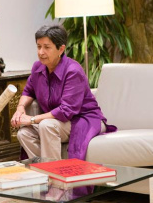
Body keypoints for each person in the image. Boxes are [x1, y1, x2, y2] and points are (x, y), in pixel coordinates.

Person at [11, 25, 116, 161]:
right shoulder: (38, 67)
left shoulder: (73, 71)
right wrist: (20, 109)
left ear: (61, 49)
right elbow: (28, 90)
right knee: (24, 133)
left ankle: (56, 177)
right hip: (56, 122)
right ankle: (46, 171)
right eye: (38, 46)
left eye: (47, 47)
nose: (41, 52)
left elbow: (66, 111)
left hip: (83, 120)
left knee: (47, 125)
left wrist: (31, 119)